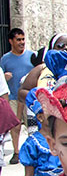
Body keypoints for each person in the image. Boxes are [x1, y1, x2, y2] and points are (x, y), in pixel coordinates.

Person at [2, 27, 33, 162]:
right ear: (11, 41)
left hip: (29, 97)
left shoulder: (32, 56)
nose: (22, 42)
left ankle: (32, 151)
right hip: (14, 97)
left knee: (32, 125)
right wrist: (4, 77)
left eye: (23, 39)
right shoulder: (5, 59)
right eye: (18, 40)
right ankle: (16, 152)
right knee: (15, 126)